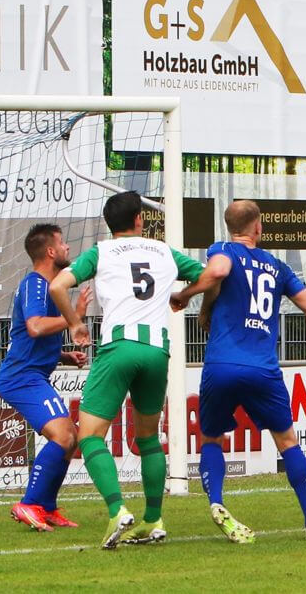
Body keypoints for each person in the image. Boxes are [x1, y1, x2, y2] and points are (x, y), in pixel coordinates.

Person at [170, 200, 306, 543]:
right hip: (263, 369)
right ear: (258, 227)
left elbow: (218, 272)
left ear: (230, 228)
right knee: (287, 442)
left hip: (221, 365)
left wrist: (186, 294)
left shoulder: (222, 250)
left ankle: (217, 502)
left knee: (212, 439)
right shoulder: (277, 268)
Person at [49, 191, 204, 549]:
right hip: (156, 351)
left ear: (110, 224)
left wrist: (74, 323)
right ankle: (153, 519)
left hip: (118, 349)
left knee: (89, 436)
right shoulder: (164, 251)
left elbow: (59, 285)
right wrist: (187, 295)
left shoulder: (101, 252)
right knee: (148, 438)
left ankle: (118, 510)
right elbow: (210, 275)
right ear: (140, 219)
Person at [0, 224, 91, 532]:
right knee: (64, 436)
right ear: (50, 251)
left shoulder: (49, 288)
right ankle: (28, 503)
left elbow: (28, 337)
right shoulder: (35, 284)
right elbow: (35, 326)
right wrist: (73, 317)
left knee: (69, 438)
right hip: (22, 377)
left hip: (31, 374)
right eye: (62, 243)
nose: (66, 248)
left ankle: (46, 507)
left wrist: (63, 356)